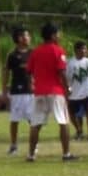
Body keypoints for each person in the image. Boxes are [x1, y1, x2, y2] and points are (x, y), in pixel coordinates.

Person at [25, 23, 78, 162]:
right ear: (53, 35)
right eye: (58, 34)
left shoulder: (35, 51)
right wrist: (67, 88)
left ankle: (31, 155)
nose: (59, 36)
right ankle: (66, 154)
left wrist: (31, 84)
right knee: (63, 121)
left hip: (39, 92)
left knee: (36, 124)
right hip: (55, 91)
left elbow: (29, 71)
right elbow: (61, 72)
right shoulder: (58, 50)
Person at [1, 28, 33, 155]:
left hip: (31, 92)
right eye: (26, 36)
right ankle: (14, 145)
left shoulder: (33, 53)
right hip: (17, 92)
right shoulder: (12, 55)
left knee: (33, 120)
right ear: (19, 38)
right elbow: (6, 73)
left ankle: (33, 144)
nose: (29, 38)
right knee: (15, 120)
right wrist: (4, 91)